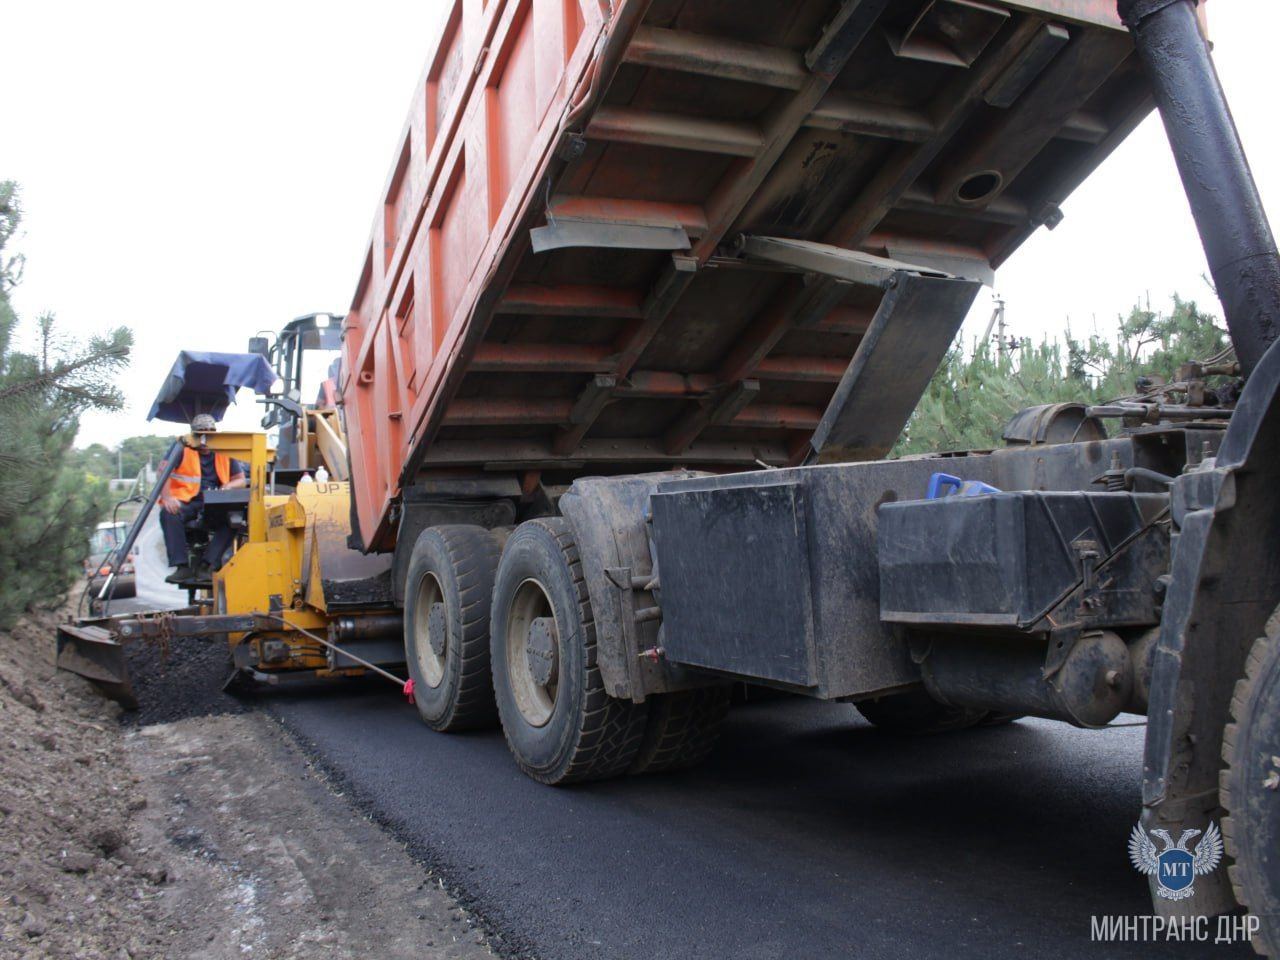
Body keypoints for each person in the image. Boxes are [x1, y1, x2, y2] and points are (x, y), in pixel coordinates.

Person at [160, 414, 248, 583]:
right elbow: (163, 473)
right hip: (186, 501)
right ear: (194, 434)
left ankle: (207, 565)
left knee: (235, 520)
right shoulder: (181, 448)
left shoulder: (224, 452)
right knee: (168, 514)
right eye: (201, 433)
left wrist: (228, 486)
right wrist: (168, 498)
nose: (206, 437)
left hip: (212, 504)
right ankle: (182, 567)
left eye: (210, 432)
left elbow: (240, 479)